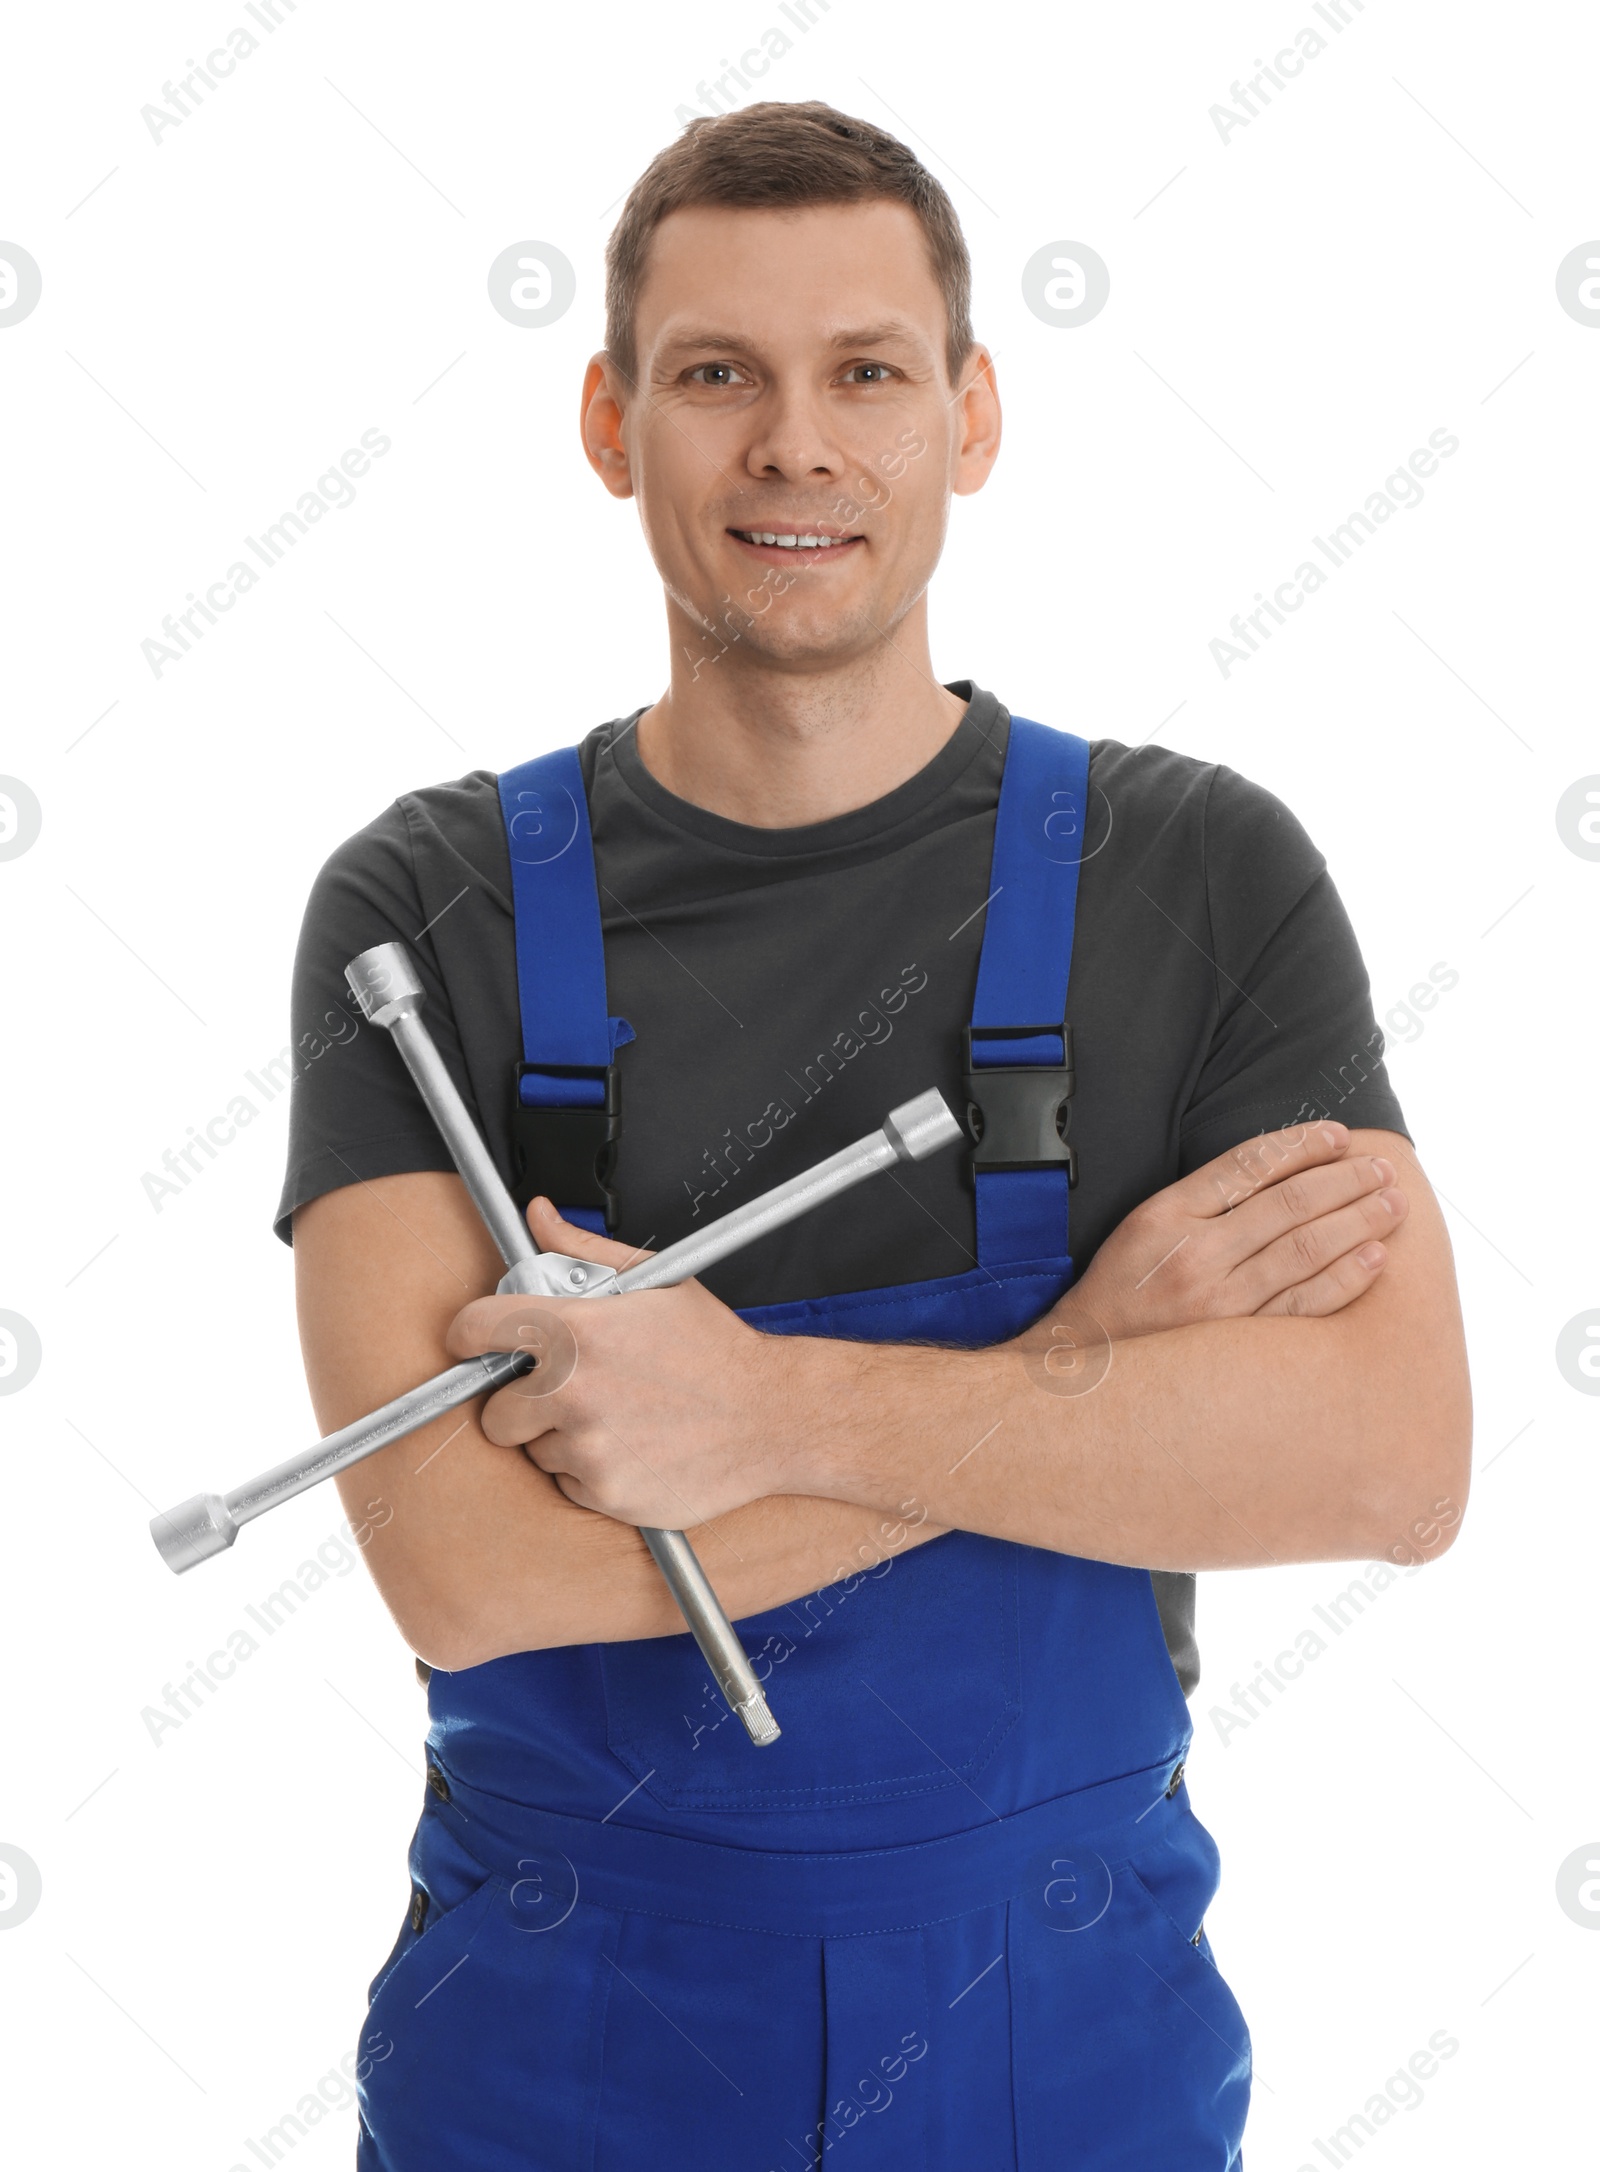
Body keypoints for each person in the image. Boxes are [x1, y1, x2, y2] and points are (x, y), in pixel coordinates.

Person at [278, 99, 1471, 2172]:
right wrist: (1080, 1372)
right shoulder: (425, 909)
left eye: (866, 373)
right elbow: (459, 1575)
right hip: (562, 2049)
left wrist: (751, 1418)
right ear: (606, 420)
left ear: (970, 415)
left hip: (1063, 2040)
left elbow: (1386, 1464)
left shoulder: (1195, 875)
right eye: (715, 373)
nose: (796, 447)